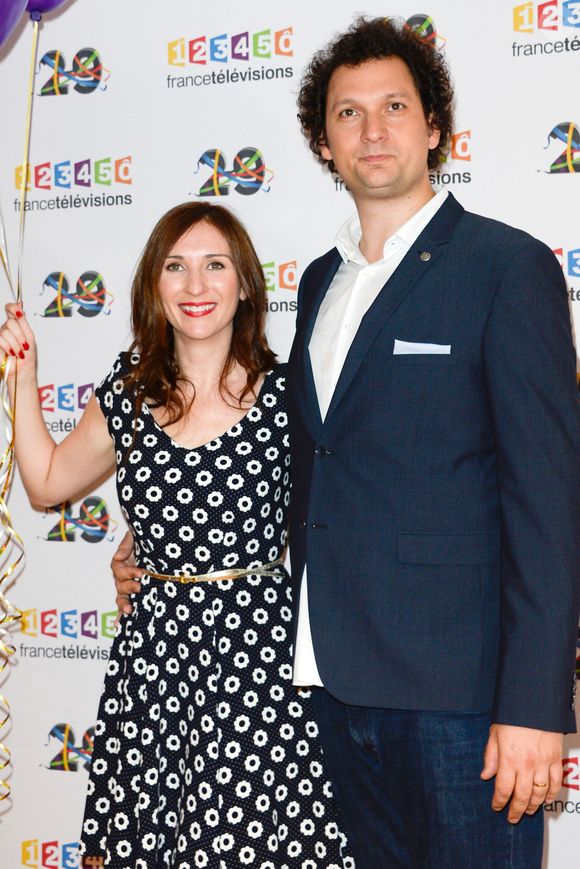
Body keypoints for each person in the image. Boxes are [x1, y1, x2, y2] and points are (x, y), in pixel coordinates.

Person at [111, 17, 580, 867]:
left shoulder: (507, 269)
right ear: (323, 143)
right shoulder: (322, 282)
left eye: (395, 107)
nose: (372, 130)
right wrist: (164, 536)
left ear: (435, 127)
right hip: (328, 688)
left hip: (462, 701)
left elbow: (551, 501)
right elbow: (311, 466)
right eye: (348, 113)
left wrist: (538, 705)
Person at [0, 202, 354, 869]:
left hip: (257, 661)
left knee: (250, 844)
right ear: (153, 287)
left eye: (215, 266)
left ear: (245, 284)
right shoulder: (128, 396)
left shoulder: (289, 396)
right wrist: (22, 378)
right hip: (154, 661)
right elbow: (46, 481)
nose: (196, 287)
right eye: (176, 267)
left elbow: (346, 514)